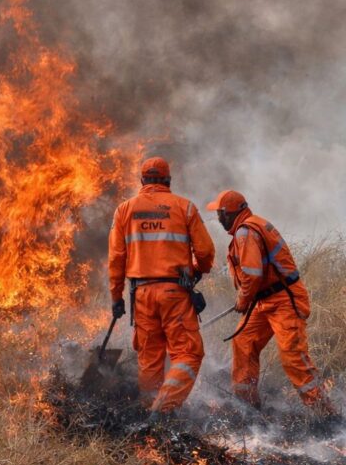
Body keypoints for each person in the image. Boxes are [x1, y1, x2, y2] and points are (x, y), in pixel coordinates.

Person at [207, 189, 337, 417]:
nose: (218, 219)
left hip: (283, 300)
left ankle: (325, 415)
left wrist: (243, 299)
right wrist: (250, 299)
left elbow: (252, 273)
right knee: (243, 341)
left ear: (230, 213)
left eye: (220, 213)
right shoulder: (248, 226)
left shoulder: (245, 232)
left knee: (292, 357)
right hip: (265, 300)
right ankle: (246, 406)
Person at [107, 157, 215, 420]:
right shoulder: (184, 207)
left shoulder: (124, 210)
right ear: (168, 180)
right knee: (188, 353)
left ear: (142, 181)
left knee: (150, 359)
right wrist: (198, 270)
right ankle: (162, 412)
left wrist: (116, 298)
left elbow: (115, 259)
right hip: (174, 294)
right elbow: (206, 251)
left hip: (141, 295)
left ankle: (148, 417)